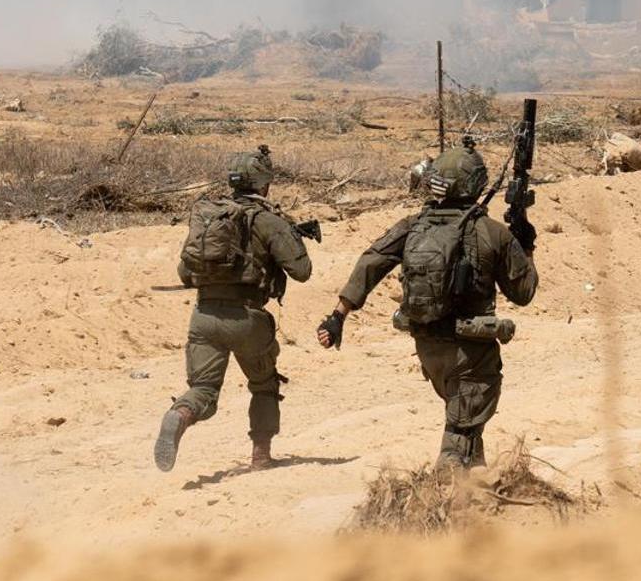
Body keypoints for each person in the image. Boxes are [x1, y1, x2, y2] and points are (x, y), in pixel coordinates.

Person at [316, 143, 537, 468]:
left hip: (428, 347)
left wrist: (337, 317)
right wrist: (525, 243)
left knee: (466, 423)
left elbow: (370, 263)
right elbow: (524, 292)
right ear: (475, 184)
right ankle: (438, 506)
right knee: (460, 432)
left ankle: (475, 494)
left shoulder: (413, 225)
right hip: (470, 352)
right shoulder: (491, 233)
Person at [155, 146, 313, 473]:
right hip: (247, 318)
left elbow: (186, 273)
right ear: (264, 184)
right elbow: (302, 271)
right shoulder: (268, 219)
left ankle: (180, 415)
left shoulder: (209, 215)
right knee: (264, 384)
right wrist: (291, 237)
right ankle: (261, 457)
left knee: (203, 390)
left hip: (204, 317)